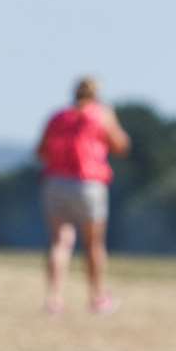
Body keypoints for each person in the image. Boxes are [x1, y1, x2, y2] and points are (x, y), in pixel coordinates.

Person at [37, 76, 130, 315]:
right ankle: (97, 298)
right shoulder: (102, 114)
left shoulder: (58, 117)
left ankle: (54, 299)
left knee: (60, 242)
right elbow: (121, 145)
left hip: (56, 182)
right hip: (89, 184)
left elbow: (41, 151)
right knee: (93, 244)